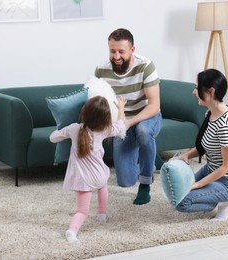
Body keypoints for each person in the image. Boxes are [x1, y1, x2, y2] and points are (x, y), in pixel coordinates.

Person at [94, 28, 162, 205]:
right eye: (112, 51)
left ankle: (146, 184)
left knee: (144, 132)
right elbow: (96, 100)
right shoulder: (101, 70)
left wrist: (129, 123)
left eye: (121, 51)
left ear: (132, 50)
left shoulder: (146, 66)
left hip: (146, 116)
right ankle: (151, 157)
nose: (116, 56)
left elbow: (154, 106)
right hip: (120, 121)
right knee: (125, 181)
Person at [50, 95, 127, 244]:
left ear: (84, 113)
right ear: (105, 118)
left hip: (82, 179)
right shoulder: (105, 130)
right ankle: (102, 214)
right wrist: (121, 107)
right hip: (99, 175)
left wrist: (59, 129)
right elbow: (120, 124)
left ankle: (72, 231)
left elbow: (53, 138)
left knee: (82, 211)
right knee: (102, 185)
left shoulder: (73, 129)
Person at [171, 68, 228, 221]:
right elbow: (204, 146)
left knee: (181, 203)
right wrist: (185, 156)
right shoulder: (211, 113)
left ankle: (224, 199)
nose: (193, 92)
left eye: (197, 88)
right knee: (177, 193)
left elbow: (227, 166)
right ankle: (211, 195)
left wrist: (198, 185)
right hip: (209, 170)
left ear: (210, 91)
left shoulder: (226, 125)